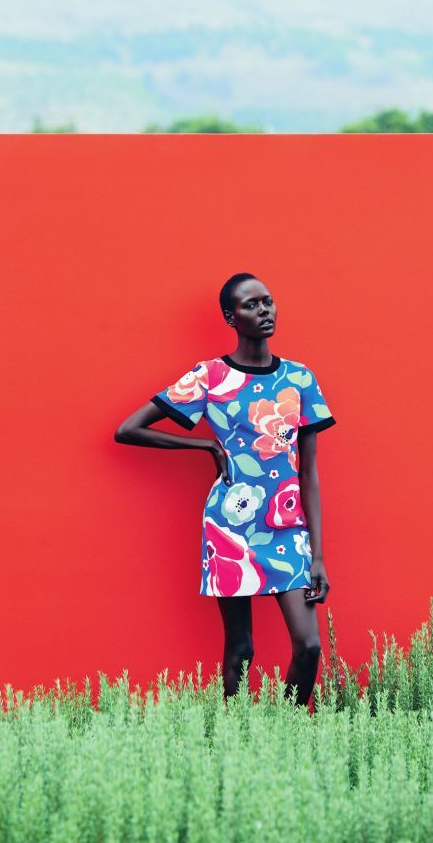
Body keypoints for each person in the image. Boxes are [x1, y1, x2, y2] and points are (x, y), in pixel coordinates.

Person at [114, 271, 336, 707]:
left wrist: (319, 555)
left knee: (308, 646)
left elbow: (308, 474)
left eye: (268, 301)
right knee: (241, 649)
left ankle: (283, 735)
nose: (264, 310)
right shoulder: (210, 377)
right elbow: (128, 429)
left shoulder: (300, 379)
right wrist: (203, 445)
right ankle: (235, 742)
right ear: (230, 317)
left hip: (286, 527)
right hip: (229, 528)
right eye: (251, 305)